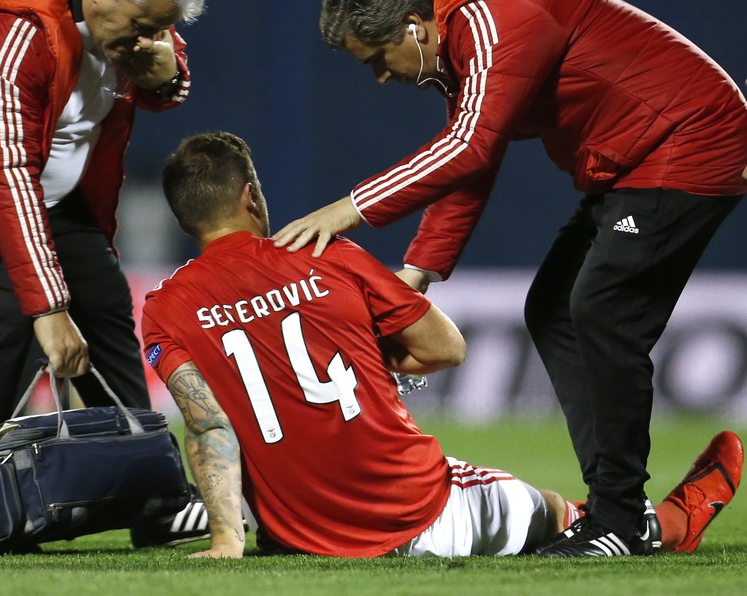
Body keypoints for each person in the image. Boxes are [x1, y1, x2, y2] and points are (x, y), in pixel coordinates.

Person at [272, 0, 747, 556]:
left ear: (411, 26)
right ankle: (622, 512)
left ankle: (616, 519)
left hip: (687, 139)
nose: (381, 75)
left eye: (378, 57)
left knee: (599, 308)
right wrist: (418, 271)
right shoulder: (463, 40)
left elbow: (469, 149)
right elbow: (476, 158)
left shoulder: (493, 17)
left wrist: (347, 209)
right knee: (554, 311)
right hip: (639, 157)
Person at [141, 131, 743, 558]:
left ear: (183, 219)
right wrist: (358, 352)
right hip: (419, 516)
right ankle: (665, 525)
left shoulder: (164, 307)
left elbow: (207, 427)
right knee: (564, 516)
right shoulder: (323, 252)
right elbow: (446, 348)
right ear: (251, 195)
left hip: (298, 534)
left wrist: (226, 540)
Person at [0, 0, 205, 550]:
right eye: (144, 27)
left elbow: (154, 77)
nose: (150, 40)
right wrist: (49, 309)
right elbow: (4, 172)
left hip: (50, 189)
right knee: (1, 324)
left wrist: (170, 77)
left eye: (159, 29)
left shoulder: (127, 19)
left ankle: (152, 500)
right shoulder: (7, 26)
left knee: (103, 307)